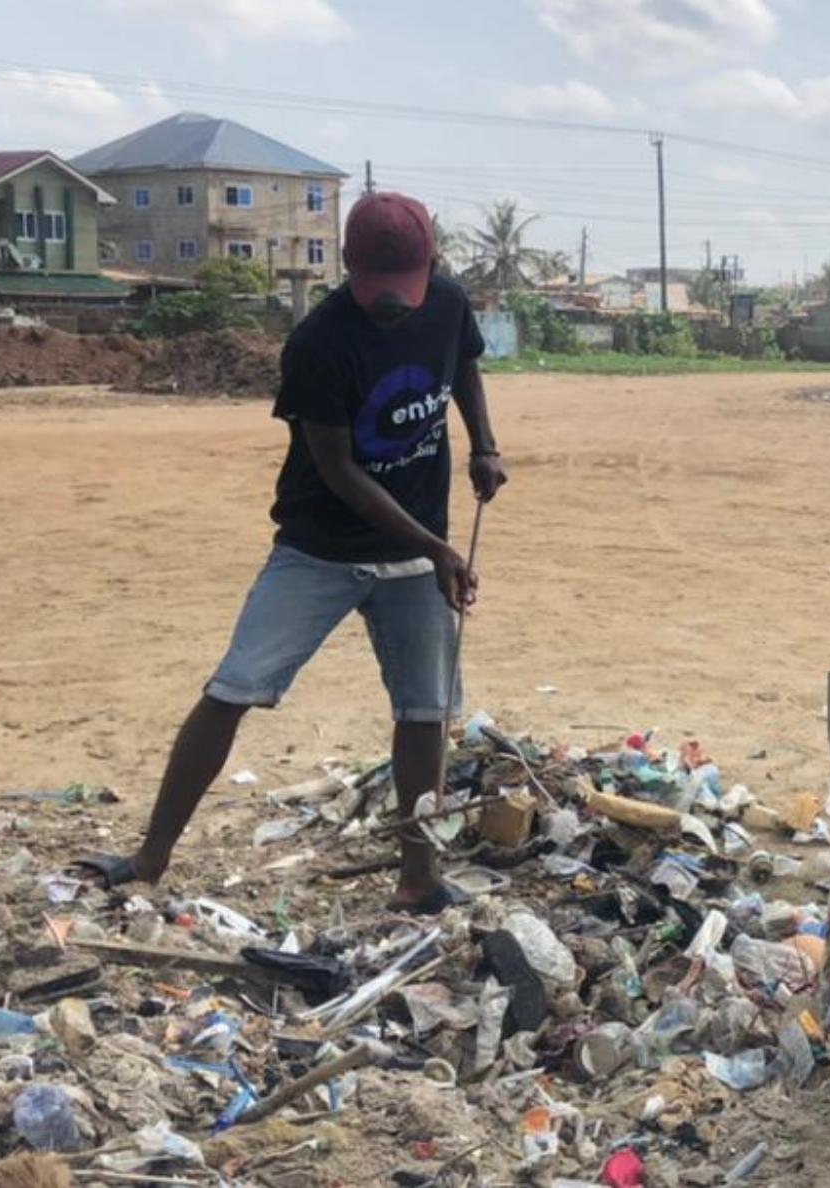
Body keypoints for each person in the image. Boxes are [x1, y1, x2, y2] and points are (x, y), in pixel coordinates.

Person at [70, 190, 509, 914]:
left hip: (418, 546)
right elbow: (338, 471)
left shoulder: (451, 306)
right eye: (378, 293)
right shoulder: (319, 343)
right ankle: (149, 858)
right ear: (346, 268)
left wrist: (484, 447)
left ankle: (418, 875)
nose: (392, 307)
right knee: (234, 688)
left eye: (405, 291)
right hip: (320, 547)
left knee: (425, 711)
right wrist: (436, 548)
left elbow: (461, 367)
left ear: (429, 267)